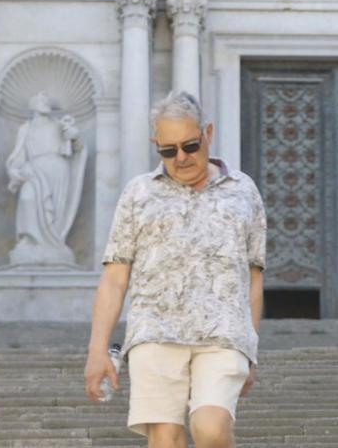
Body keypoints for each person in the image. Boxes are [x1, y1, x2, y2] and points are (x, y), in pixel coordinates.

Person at [83, 91, 266, 448]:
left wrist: (251, 348)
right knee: (165, 440)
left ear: (208, 133)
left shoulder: (244, 191)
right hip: (154, 331)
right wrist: (97, 350)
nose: (180, 158)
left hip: (223, 334)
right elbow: (115, 278)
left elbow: (254, 279)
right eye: (168, 150)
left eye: (190, 146)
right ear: (156, 145)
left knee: (211, 429)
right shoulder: (138, 193)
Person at [5, 91, 87, 268]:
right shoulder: (25, 128)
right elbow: (18, 154)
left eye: (46, 100)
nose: (45, 102)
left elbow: (77, 148)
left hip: (58, 169)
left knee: (56, 209)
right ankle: (29, 240)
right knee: (28, 198)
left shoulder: (59, 125)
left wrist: (73, 136)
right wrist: (15, 171)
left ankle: (54, 241)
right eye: (41, 100)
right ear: (32, 105)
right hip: (33, 169)